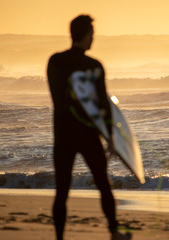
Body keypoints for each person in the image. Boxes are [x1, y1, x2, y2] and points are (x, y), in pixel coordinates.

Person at [47, 15, 131, 240]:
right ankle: (114, 233)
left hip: (63, 134)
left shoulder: (54, 62)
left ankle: (59, 238)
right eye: (92, 33)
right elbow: (103, 105)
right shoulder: (94, 66)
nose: (93, 37)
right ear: (86, 35)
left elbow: (58, 99)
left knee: (62, 189)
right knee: (103, 184)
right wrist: (111, 137)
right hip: (88, 135)